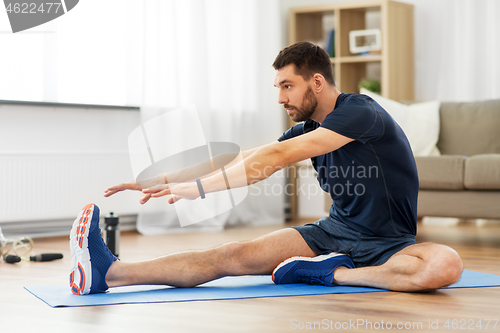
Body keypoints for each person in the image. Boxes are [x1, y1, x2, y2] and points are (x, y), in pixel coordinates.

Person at [69, 41, 463, 296]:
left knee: (445, 264)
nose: (280, 97)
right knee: (231, 254)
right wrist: (170, 177)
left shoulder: (360, 112)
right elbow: (246, 156)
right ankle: (111, 273)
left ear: (318, 82)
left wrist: (201, 190)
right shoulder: (305, 127)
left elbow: (273, 161)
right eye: (277, 87)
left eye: (287, 86)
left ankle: (331, 274)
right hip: (333, 233)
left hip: (391, 242)